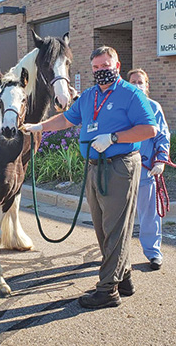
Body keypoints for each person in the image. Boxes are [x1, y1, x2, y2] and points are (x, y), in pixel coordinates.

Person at [25, 46, 157, 309]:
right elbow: (66, 120)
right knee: (102, 227)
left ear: (117, 66)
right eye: (96, 67)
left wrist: (114, 138)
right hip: (95, 167)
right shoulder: (89, 96)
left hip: (119, 167)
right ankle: (124, 276)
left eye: (106, 66)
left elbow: (149, 129)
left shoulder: (130, 95)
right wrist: (39, 126)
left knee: (115, 229)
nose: (101, 71)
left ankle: (108, 290)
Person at [128, 68, 171, 270]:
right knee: (118, 218)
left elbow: (162, 136)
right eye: (133, 82)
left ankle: (153, 253)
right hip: (122, 169)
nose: (137, 85)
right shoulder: (122, 107)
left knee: (149, 215)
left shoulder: (154, 108)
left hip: (146, 170)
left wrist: (160, 160)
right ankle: (115, 256)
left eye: (140, 82)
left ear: (147, 85)